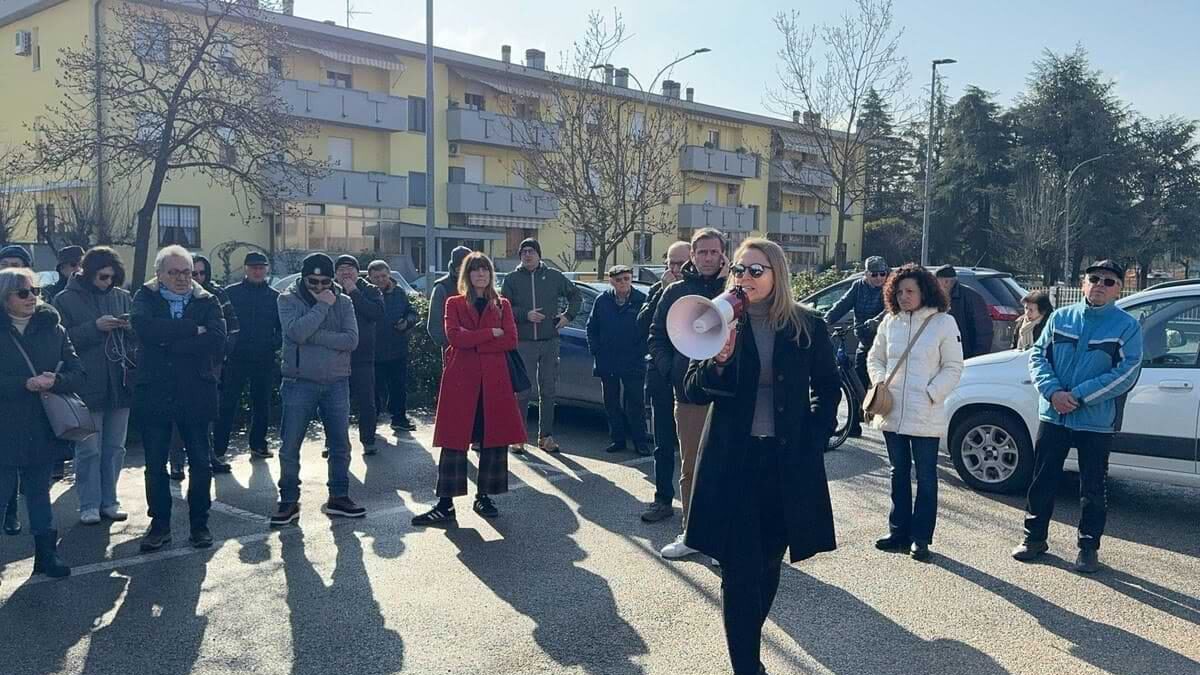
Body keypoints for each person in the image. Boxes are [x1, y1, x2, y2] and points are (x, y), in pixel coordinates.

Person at [682, 238, 840, 675]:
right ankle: (747, 666)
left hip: (786, 463)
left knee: (770, 561)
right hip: (734, 463)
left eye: (756, 270)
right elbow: (693, 389)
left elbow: (829, 387)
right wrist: (718, 361)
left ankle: (747, 649)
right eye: (739, 270)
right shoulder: (720, 320)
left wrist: (814, 435)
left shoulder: (807, 325)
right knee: (738, 568)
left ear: (777, 275)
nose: (746, 278)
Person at [1012, 260, 1142, 574]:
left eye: (1108, 281)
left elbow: (1127, 372)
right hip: (1054, 415)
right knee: (1042, 479)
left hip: (1094, 421)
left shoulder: (1127, 326)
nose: (1099, 284)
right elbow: (1039, 356)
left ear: (1118, 289)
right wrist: (1053, 392)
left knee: (1092, 488)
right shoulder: (1059, 318)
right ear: (1083, 283)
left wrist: (1080, 396)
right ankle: (1034, 538)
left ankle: (1087, 548)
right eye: (1093, 278)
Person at [412, 253, 525, 525]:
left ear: (491, 274)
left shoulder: (503, 305)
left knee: (492, 440)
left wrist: (474, 340)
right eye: (474, 270)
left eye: (484, 269)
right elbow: (454, 337)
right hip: (462, 381)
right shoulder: (454, 302)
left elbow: (510, 339)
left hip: (494, 382)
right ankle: (445, 505)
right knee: (454, 441)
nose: (480, 275)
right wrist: (489, 334)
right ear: (466, 275)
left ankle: (484, 497)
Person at [130, 245, 226, 551]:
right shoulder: (145, 297)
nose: (183, 278)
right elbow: (144, 329)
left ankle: (200, 525)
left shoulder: (207, 300)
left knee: (200, 462)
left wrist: (170, 343)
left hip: (196, 391)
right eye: (174, 272)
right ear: (159, 274)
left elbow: (216, 340)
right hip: (155, 392)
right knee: (155, 464)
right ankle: (159, 525)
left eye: (187, 272)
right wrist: (189, 330)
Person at [867, 264, 963, 561]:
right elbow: (875, 356)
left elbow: (953, 366)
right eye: (899, 291)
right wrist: (880, 382)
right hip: (891, 410)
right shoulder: (890, 321)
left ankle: (921, 538)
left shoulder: (943, 323)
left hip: (925, 412)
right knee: (898, 472)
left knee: (926, 476)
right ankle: (898, 531)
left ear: (925, 291)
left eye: (910, 291)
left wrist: (932, 393)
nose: (904, 296)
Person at [648, 228, 727, 560]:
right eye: (702, 252)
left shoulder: (736, 289)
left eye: (713, 252)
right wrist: (674, 373)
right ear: (692, 256)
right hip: (690, 394)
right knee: (692, 466)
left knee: (727, 466)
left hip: (728, 393)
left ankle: (724, 537)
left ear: (723, 254)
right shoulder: (676, 292)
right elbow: (656, 336)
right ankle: (693, 533)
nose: (708, 258)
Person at [0, 267, 83, 577]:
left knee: (39, 493)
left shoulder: (54, 328)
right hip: (5, 426)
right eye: (23, 292)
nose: (32, 297)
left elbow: (77, 372)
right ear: (4, 297)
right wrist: (24, 383)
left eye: (35, 290)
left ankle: (46, 556)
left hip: (41, 426)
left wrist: (56, 380)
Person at [271, 252, 364, 526]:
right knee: (290, 445)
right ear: (303, 278)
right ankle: (288, 500)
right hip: (299, 382)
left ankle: (339, 497)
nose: (320, 287)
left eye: (325, 282)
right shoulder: (286, 299)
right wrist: (322, 307)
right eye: (313, 281)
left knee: (340, 445)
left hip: (336, 381)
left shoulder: (344, 301)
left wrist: (315, 336)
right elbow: (296, 333)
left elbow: (351, 340)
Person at [52, 247, 135, 525]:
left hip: (120, 383)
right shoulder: (65, 299)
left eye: (112, 277)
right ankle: (88, 504)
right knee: (89, 449)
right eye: (102, 276)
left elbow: (138, 336)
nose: (108, 282)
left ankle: (109, 501)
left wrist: (128, 327)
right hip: (87, 384)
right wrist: (95, 327)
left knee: (115, 448)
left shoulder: (123, 297)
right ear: (88, 272)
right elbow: (60, 343)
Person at [501, 238, 581, 454]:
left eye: (532, 251)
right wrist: (524, 315)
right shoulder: (511, 279)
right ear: (520, 256)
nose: (528, 255)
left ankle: (546, 437)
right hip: (523, 342)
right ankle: (518, 437)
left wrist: (568, 316)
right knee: (522, 391)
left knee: (548, 390)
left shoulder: (554, 276)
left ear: (539, 254)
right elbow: (502, 308)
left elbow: (575, 296)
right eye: (524, 252)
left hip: (549, 341)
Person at [169, 254, 240, 476]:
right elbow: (172, 332)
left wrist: (221, 352)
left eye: (202, 273)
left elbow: (231, 326)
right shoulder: (173, 294)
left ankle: (208, 455)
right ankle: (177, 461)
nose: (198, 277)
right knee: (178, 412)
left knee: (206, 411)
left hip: (210, 362)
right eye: (194, 273)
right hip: (179, 363)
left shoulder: (215, 294)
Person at [637, 241, 691, 523]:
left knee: (694, 444)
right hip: (661, 374)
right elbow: (642, 325)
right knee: (663, 442)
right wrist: (661, 292)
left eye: (680, 263)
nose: (674, 269)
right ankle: (662, 499)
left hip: (691, 376)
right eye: (670, 263)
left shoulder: (697, 288)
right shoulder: (658, 291)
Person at [214, 251, 281, 460]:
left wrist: (273, 344)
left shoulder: (274, 296)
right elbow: (220, 321)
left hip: (264, 357)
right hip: (236, 357)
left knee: (261, 403)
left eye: (261, 268)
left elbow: (281, 328)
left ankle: (258, 445)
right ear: (246, 269)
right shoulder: (230, 293)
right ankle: (218, 449)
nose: (257, 271)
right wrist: (226, 347)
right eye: (253, 268)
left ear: (267, 270)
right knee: (227, 403)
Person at [587, 265, 650, 455]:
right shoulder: (602, 300)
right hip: (608, 360)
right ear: (611, 281)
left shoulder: (641, 300)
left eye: (627, 278)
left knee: (636, 403)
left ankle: (640, 441)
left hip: (633, 360)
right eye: (619, 279)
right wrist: (596, 350)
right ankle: (617, 439)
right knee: (611, 402)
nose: (623, 283)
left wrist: (642, 352)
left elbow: (649, 328)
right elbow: (592, 328)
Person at [824, 255, 890, 437]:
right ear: (866, 274)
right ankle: (854, 425)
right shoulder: (858, 287)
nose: (879, 278)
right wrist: (823, 322)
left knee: (884, 385)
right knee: (855, 382)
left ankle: (890, 427)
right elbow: (842, 305)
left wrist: (877, 320)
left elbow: (891, 308)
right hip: (865, 341)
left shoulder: (889, 287)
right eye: (875, 274)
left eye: (882, 274)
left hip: (885, 344)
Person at [332, 255, 385, 455]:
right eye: (341, 269)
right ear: (335, 273)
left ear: (358, 271)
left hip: (363, 356)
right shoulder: (329, 290)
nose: (346, 272)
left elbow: (376, 313)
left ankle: (368, 440)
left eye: (350, 268)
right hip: (335, 356)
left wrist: (354, 292)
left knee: (366, 401)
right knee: (334, 403)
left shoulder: (370, 289)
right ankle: (335, 442)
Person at [0, 244, 33, 535]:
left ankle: (12, 512)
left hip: (26, 402)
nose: (10, 268)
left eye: (17, 264)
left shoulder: (38, 308)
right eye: (5, 263)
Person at [368, 260, 419, 434]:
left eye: (383, 276)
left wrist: (407, 322)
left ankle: (399, 419)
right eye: (376, 277)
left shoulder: (399, 293)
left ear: (389, 274)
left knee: (398, 387)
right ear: (370, 278)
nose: (380, 280)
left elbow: (412, 312)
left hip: (397, 349)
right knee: (373, 390)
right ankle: (370, 423)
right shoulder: (364, 294)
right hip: (373, 352)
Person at [934, 265, 993, 359]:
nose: (934, 286)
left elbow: (984, 332)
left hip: (966, 357)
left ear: (946, 282)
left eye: (936, 282)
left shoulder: (972, 298)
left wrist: (977, 358)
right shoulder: (937, 298)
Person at [428, 246, 473, 355]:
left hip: (477, 348)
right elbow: (435, 325)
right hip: (452, 349)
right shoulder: (442, 288)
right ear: (456, 267)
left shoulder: (476, 284)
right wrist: (450, 343)